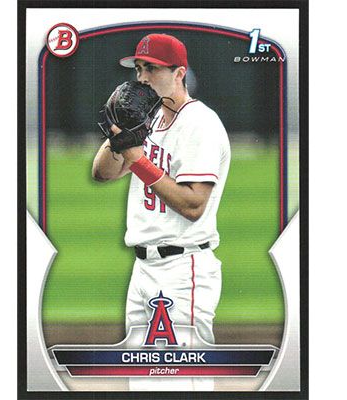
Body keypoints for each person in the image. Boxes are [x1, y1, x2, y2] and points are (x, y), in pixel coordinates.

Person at [92, 33, 231, 391]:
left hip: (182, 270)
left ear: (179, 73)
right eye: (138, 69)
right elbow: (103, 173)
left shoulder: (200, 124)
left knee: (181, 381)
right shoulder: (148, 120)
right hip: (143, 272)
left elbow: (193, 205)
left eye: (151, 69)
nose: (141, 78)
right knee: (143, 383)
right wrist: (117, 135)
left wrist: (137, 159)